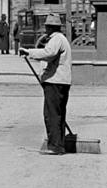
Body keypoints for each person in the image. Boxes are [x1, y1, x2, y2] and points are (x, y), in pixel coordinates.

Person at [20, 13, 72, 155]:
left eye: (47, 27)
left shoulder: (56, 39)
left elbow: (49, 53)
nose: (45, 30)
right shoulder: (61, 39)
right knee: (58, 114)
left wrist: (29, 52)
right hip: (61, 81)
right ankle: (59, 145)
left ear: (50, 27)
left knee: (51, 114)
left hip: (55, 81)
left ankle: (55, 146)